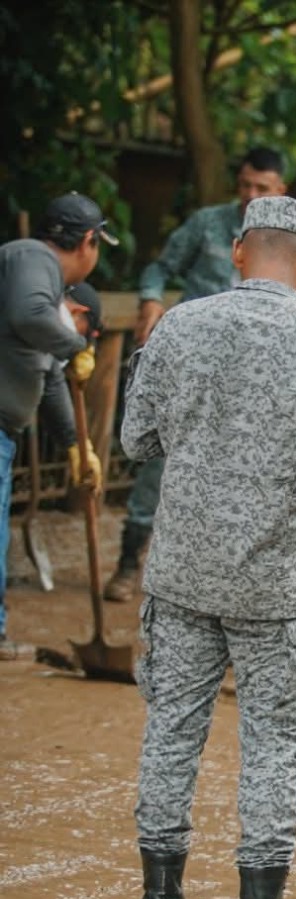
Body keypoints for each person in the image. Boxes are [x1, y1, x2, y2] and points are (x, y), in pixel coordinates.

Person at [122, 195, 296, 899]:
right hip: (277, 585)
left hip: (182, 571)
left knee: (171, 731)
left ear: (238, 251)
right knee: (274, 742)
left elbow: (135, 438)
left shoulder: (179, 327)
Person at [107, 146, 290, 603]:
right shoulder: (207, 224)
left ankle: (207, 577)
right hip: (191, 369)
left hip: (250, 379)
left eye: (262, 188)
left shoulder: (289, 239)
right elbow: (160, 267)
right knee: (159, 464)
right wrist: (151, 299)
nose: (251, 195)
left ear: (280, 190)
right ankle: (129, 561)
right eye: (245, 184)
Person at [0, 194, 109, 658]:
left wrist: (76, 445)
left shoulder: (43, 296)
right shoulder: (33, 258)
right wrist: (75, 347)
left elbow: (47, 382)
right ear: (87, 241)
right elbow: (28, 316)